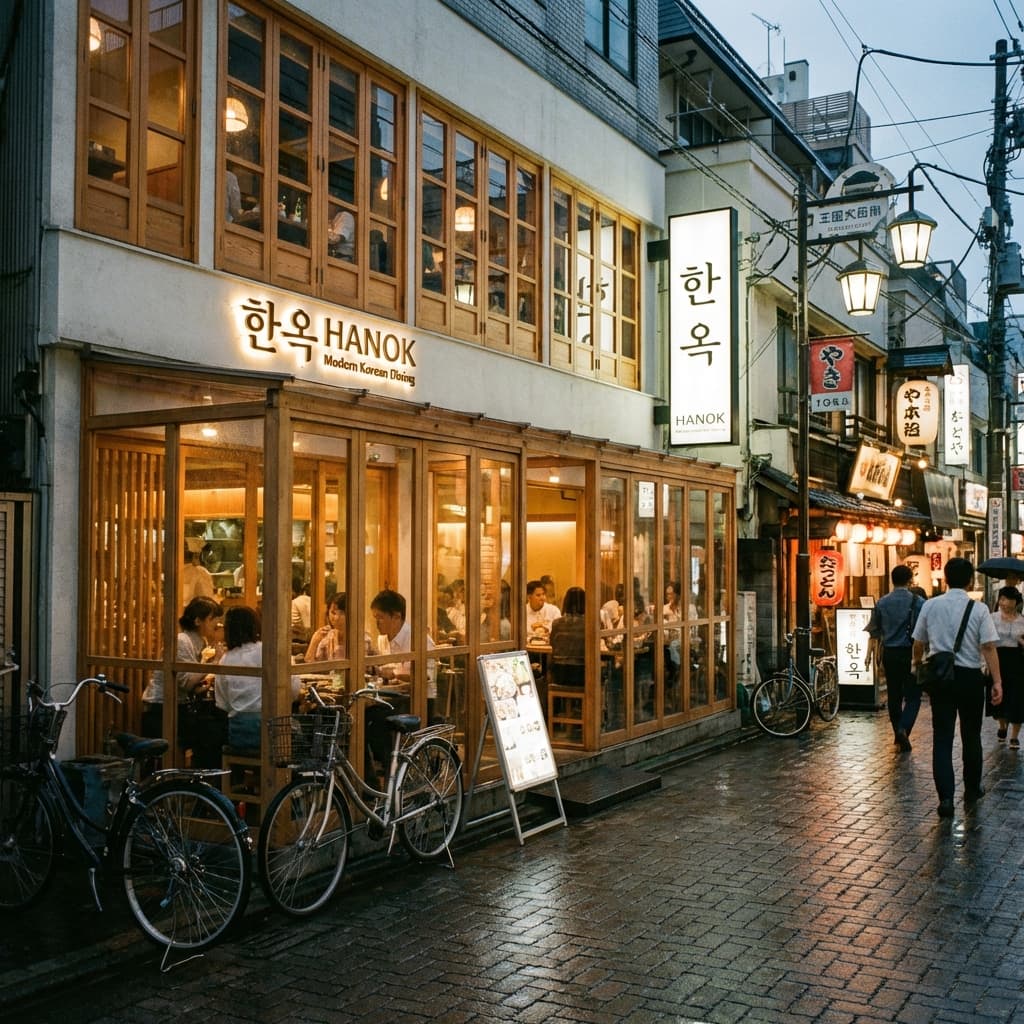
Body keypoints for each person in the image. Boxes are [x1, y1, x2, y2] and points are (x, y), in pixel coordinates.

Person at [912, 557, 1003, 817]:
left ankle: (946, 799)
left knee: (942, 738)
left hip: (941, 678)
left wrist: (917, 664)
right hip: (970, 678)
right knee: (971, 735)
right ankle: (973, 788)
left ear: (946, 577)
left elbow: (918, 642)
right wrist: (997, 681)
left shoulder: (930, 605)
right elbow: (988, 646)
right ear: (970, 580)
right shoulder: (979, 609)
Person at [214, 605, 301, 752]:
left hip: (238, 734)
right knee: (303, 736)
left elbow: (222, 703)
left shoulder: (226, 659)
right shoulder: (271, 651)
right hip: (272, 729)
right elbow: (293, 690)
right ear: (256, 624)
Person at [367, 589, 435, 776]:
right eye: (374, 617)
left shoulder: (418, 639)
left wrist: (392, 673)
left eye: (380, 617)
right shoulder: (382, 640)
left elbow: (426, 677)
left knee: (374, 721)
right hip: (393, 698)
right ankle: (380, 774)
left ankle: (394, 771)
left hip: (419, 700)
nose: (376, 622)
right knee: (363, 718)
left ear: (396, 616)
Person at [141, 595, 223, 741]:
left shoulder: (199, 641)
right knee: (210, 735)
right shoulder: (182, 641)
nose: (217, 623)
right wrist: (214, 663)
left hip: (176, 704)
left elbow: (190, 684)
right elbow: (186, 682)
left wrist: (204, 683)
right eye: (213, 618)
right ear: (198, 620)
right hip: (160, 707)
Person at [865, 564, 925, 752]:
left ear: (892, 580)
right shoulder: (918, 602)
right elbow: (924, 631)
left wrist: (871, 654)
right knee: (914, 696)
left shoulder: (882, 602)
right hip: (911, 653)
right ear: (909, 580)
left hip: (889, 653)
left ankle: (898, 733)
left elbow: (874, 631)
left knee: (894, 695)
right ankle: (903, 729)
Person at [986, 586, 1024, 749]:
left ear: (1015, 602)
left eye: (1005, 599)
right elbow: (986, 643)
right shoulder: (992, 618)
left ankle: (1014, 736)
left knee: (1017, 697)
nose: (1002, 602)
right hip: (997, 659)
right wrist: (985, 663)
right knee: (998, 697)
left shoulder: (1022, 620)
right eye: (1000, 599)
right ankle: (1002, 725)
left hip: (1017, 661)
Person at [549, 587, 586, 687]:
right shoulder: (589, 624)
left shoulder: (556, 623)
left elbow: (552, 643)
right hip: (582, 674)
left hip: (560, 673)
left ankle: (558, 702)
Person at [291, 574, 311, 641]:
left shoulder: (294, 602)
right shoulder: (311, 600)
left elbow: (293, 626)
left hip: (298, 639)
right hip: (310, 637)